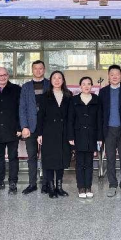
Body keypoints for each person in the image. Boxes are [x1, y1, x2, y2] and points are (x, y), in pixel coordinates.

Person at [37, 71, 72, 199]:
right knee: (49, 160)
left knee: (61, 160)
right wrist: (39, 133)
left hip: (63, 132)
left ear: (63, 80)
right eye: (54, 78)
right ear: (50, 81)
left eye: (59, 78)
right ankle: (51, 188)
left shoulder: (69, 95)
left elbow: (71, 116)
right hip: (48, 132)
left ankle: (59, 187)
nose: (57, 80)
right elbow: (40, 116)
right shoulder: (44, 96)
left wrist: (71, 134)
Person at [98, 65, 121, 198]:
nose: (115, 77)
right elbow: (100, 114)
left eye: (117, 74)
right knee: (110, 159)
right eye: (112, 74)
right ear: (108, 76)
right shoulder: (103, 92)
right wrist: (100, 134)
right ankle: (112, 184)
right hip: (108, 130)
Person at [69, 77, 103, 199]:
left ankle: (88, 187)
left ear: (92, 86)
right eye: (84, 84)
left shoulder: (96, 100)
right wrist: (70, 136)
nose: (86, 86)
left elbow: (100, 120)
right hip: (78, 135)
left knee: (89, 163)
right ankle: (81, 187)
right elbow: (70, 119)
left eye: (89, 84)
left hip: (92, 136)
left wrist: (99, 137)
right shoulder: (74, 100)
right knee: (79, 163)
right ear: (80, 87)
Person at [19, 60, 50, 195]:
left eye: (40, 68)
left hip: (46, 126)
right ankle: (32, 184)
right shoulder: (26, 86)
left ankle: (46, 184)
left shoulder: (50, 84)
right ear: (32, 70)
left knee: (46, 156)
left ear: (44, 70)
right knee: (31, 156)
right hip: (30, 127)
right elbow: (22, 108)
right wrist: (24, 126)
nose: (38, 71)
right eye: (35, 68)